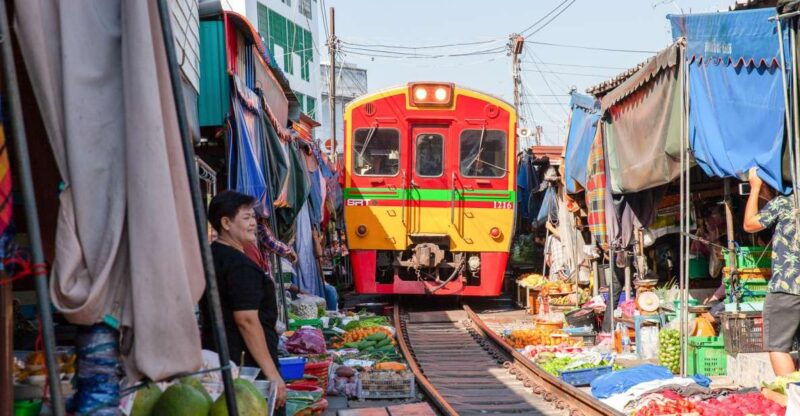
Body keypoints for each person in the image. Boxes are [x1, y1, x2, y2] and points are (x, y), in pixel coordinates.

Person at [206, 191, 286, 408]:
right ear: (226, 223)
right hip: (246, 368)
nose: (253, 223)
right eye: (246, 218)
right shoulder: (239, 265)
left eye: (254, 217)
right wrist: (272, 375)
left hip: (222, 360)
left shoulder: (213, 255)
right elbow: (247, 321)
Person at [742, 167, 798, 376]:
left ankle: (790, 393)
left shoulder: (785, 203)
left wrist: (755, 188)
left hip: (787, 286)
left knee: (778, 346)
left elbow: (750, 224)